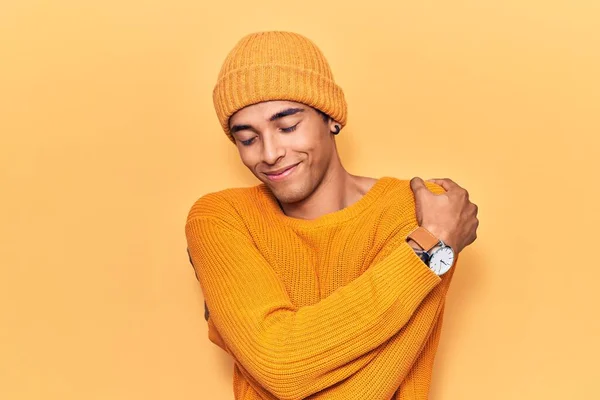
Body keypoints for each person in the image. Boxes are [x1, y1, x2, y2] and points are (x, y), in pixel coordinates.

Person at [185, 31, 479, 400]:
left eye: (288, 126)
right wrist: (429, 252)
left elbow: (293, 373)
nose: (270, 152)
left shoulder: (420, 210)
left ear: (332, 119)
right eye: (247, 138)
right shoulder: (221, 218)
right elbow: (281, 367)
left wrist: (258, 345)